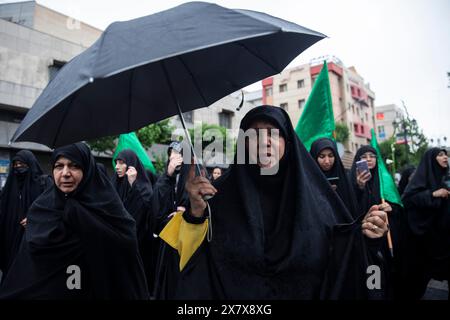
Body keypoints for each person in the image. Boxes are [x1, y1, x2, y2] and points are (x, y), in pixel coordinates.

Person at [156, 106, 388, 299]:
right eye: (254, 135)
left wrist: (367, 235)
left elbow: (346, 256)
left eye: (273, 133)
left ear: (287, 141)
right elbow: (184, 268)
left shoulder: (315, 198)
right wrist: (195, 215)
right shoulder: (217, 196)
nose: (264, 142)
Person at [0, 143, 149, 299]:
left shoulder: (107, 206)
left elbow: (125, 245)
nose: (65, 173)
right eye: (59, 166)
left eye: (74, 166)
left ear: (87, 170)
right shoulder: (41, 209)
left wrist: (79, 216)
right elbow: (27, 271)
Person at [401, 148, 449, 299]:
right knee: (417, 284)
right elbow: (408, 199)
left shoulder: (446, 178)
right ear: (430, 160)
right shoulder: (421, 179)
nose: (445, 157)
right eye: (440, 155)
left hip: (446, 239)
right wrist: (433, 194)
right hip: (426, 241)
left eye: (445, 154)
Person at [0, 150, 52, 278]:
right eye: (16, 165)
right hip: (11, 239)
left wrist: (35, 219)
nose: (18, 168)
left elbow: (53, 210)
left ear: (31, 164)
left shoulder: (44, 184)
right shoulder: (10, 186)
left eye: (22, 165)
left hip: (32, 239)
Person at [112, 149, 156, 294]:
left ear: (131, 165)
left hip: (139, 244)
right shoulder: (115, 185)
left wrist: (133, 185)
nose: (117, 166)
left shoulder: (142, 186)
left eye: (122, 162)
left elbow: (145, 209)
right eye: (116, 162)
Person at [310, 138, 360, 218]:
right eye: (322, 156)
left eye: (331, 156)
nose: (327, 161)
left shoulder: (344, 179)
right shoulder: (307, 181)